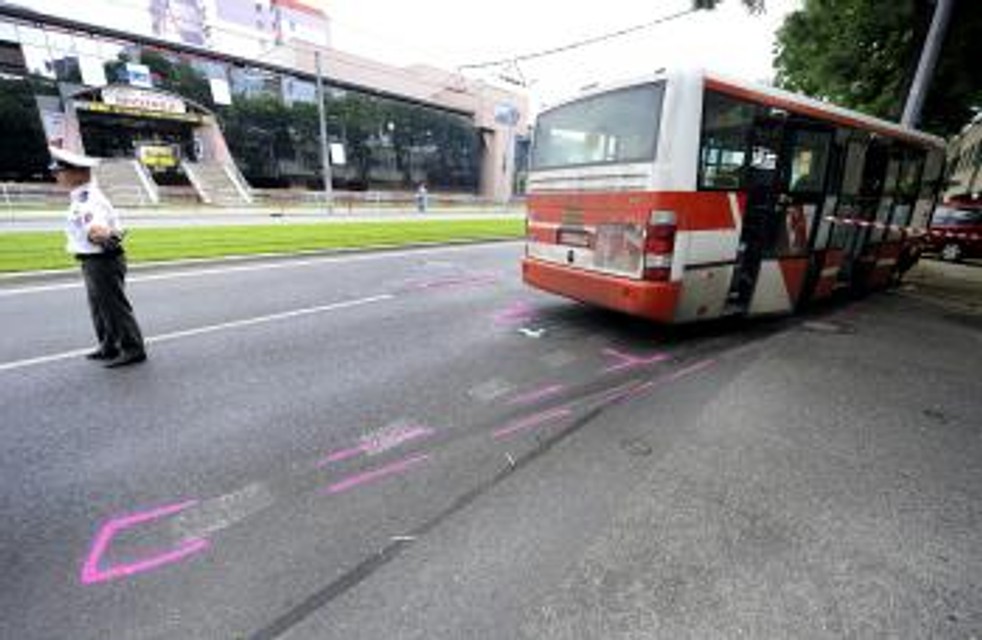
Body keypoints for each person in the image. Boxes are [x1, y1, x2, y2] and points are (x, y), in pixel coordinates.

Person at [51, 147, 147, 368]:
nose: (56, 175)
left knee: (113, 306)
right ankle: (109, 345)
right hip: (92, 259)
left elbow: (97, 229)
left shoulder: (89, 200)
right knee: (98, 306)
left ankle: (133, 348)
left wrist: (99, 234)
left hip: (102, 260)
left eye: (60, 171)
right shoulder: (80, 196)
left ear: (78, 172)